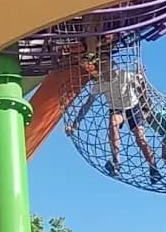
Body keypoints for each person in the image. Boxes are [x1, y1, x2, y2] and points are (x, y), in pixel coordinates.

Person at [67, 56, 161, 184]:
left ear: (112, 66)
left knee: (140, 137)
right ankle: (116, 161)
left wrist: (141, 77)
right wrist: (75, 124)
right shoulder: (100, 83)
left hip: (132, 107)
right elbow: (87, 104)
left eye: (108, 66)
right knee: (113, 123)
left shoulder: (125, 75)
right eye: (103, 67)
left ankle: (153, 168)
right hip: (116, 109)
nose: (107, 70)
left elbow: (141, 87)